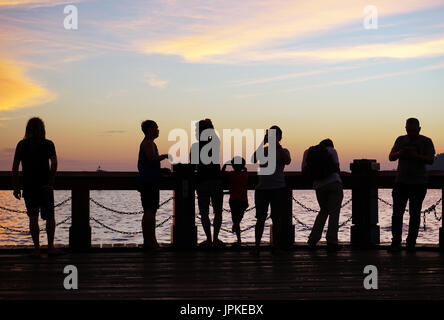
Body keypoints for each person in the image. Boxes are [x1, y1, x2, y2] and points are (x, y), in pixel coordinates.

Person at [12, 117, 63, 258]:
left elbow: (15, 167)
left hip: (29, 186)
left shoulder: (21, 145)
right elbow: (54, 162)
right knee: (50, 217)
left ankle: (36, 249)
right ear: (43, 129)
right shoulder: (48, 144)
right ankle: (51, 247)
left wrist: (16, 187)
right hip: (45, 186)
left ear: (27, 129)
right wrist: (51, 181)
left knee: (33, 218)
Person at [388, 118, 435, 252]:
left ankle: (411, 244)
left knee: (414, 214)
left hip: (419, 183)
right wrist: (400, 153)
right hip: (401, 182)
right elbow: (391, 157)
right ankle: (396, 243)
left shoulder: (426, 141)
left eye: (414, 130)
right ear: (406, 129)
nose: (411, 133)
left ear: (419, 129)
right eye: (409, 130)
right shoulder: (400, 140)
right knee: (397, 214)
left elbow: (431, 159)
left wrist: (416, 156)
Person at [251, 125, 291, 255]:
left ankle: (276, 246)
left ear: (280, 137)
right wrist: (264, 141)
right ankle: (257, 246)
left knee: (277, 219)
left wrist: (277, 145)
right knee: (260, 219)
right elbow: (253, 159)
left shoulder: (284, 150)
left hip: (277, 188)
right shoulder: (264, 150)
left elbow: (287, 160)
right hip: (262, 189)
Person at [302, 139, 343, 252]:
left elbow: (304, 170)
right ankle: (331, 242)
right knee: (334, 213)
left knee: (323, 211)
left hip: (319, 186)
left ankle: (313, 240)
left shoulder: (308, 151)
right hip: (334, 183)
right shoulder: (332, 151)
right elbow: (336, 168)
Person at [191, 119, 224, 248]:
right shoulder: (215, 143)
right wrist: (211, 126)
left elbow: (193, 166)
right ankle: (216, 239)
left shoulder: (195, 147)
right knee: (218, 211)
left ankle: (209, 240)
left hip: (202, 182)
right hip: (216, 181)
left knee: (204, 212)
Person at [137, 120, 169, 250]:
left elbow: (149, 163)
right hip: (149, 181)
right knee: (150, 211)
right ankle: (149, 242)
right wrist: (165, 156)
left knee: (150, 210)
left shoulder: (149, 143)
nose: (158, 130)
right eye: (156, 128)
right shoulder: (148, 143)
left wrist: (160, 170)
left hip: (149, 180)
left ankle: (150, 241)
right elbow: (151, 159)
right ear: (150, 129)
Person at [222, 156, 249, 246]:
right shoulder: (245, 174)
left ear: (233, 165)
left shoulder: (231, 174)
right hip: (243, 201)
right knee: (238, 219)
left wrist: (225, 165)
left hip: (234, 201)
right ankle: (239, 240)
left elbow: (222, 174)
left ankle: (239, 239)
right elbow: (245, 168)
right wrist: (242, 167)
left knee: (235, 219)